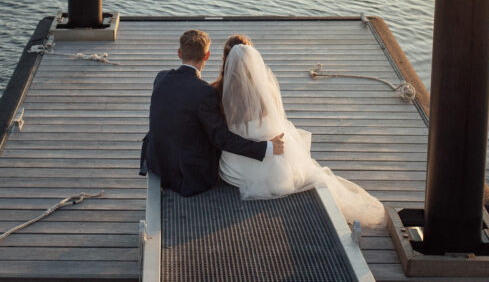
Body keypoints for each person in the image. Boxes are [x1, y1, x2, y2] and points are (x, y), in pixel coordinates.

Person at [218, 40, 387, 227]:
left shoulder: (218, 91)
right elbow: (277, 122)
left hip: (233, 171)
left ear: (226, 61)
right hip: (271, 166)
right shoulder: (267, 91)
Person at [140, 29, 285, 197]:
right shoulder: (205, 93)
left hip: (157, 161)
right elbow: (221, 139)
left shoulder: (161, 77)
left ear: (179, 53)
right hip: (188, 174)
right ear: (207, 56)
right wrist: (267, 147)